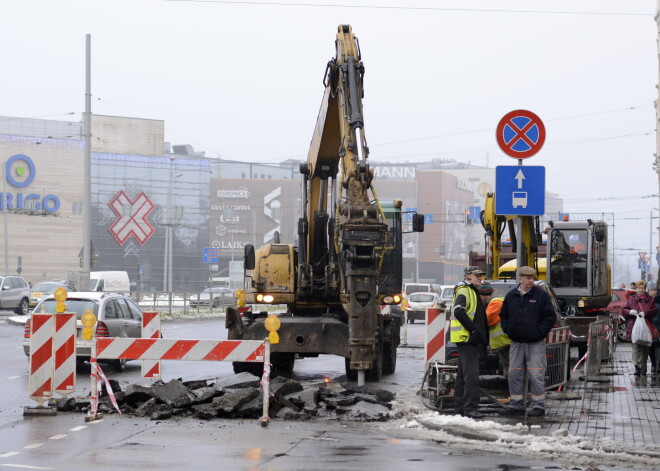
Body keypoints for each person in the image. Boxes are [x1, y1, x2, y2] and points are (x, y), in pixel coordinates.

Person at [498, 266, 556, 417]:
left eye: (533, 278)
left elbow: (550, 317)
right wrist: (508, 329)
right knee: (514, 374)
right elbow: (503, 316)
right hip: (516, 342)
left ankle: (538, 405)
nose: (531, 281)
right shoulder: (511, 296)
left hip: (535, 343)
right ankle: (516, 404)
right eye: (528, 278)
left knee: (536, 375)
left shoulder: (540, 296)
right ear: (520, 279)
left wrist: (539, 332)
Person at [450, 266, 488, 419]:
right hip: (467, 339)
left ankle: (459, 408)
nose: (480, 278)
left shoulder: (471, 290)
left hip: (466, 339)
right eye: (477, 275)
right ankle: (470, 408)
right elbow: (458, 310)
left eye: (481, 276)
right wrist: (473, 329)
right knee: (471, 375)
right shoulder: (465, 290)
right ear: (467, 276)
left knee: (462, 376)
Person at [621, 280, 657, 376]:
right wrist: (629, 312)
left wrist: (646, 313)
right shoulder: (632, 299)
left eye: (642, 288)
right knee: (636, 347)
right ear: (636, 289)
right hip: (634, 327)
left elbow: (654, 310)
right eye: (638, 288)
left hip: (646, 327)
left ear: (645, 289)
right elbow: (623, 309)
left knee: (645, 348)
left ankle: (644, 369)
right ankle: (637, 367)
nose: (640, 290)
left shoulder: (650, 299)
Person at [478, 281, 512, 378]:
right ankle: (513, 390)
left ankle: (515, 391)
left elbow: (485, 321)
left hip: (505, 341)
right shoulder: (496, 300)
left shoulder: (495, 303)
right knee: (509, 368)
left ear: (484, 295)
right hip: (504, 342)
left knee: (511, 369)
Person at [650, 286, 660, 374]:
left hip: (657, 327)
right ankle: (654, 364)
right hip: (649, 327)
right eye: (651, 290)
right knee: (651, 346)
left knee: (657, 346)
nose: (653, 292)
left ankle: (657, 365)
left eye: (654, 290)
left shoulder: (657, 302)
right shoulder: (647, 301)